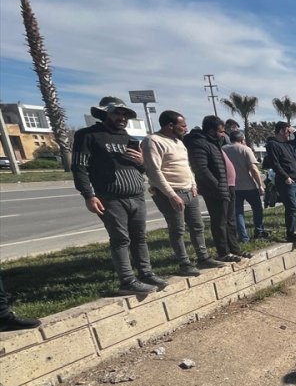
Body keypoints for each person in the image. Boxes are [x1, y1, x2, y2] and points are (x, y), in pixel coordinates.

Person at [72, 97, 167, 295]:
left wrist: (141, 161)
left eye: (124, 114)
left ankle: (145, 273)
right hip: (111, 197)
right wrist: (88, 195)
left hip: (136, 195)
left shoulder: (128, 138)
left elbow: (141, 169)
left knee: (139, 238)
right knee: (120, 239)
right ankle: (127, 280)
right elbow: (79, 167)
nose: (122, 117)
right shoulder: (88, 136)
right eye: (117, 113)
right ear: (105, 113)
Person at [142, 110, 225, 276]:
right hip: (170, 194)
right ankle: (184, 263)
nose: (186, 129)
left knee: (197, 226)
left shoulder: (179, 142)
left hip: (189, 190)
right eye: (183, 126)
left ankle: (203, 257)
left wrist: (193, 184)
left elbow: (187, 166)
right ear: (170, 125)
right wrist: (171, 194)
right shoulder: (153, 141)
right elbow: (154, 171)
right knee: (177, 229)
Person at [185, 116, 244, 261]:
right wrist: (217, 186)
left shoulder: (214, 142)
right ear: (210, 130)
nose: (223, 134)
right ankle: (223, 252)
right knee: (220, 222)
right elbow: (201, 168)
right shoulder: (199, 144)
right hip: (216, 189)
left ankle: (235, 249)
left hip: (228, 186)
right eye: (220, 131)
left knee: (230, 221)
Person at [265, 122, 296, 242]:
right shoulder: (272, 144)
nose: (289, 134)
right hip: (286, 182)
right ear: (281, 131)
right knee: (291, 207)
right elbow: (275, 163)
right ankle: (290, 234)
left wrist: (295, 132)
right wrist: (285, 177)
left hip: (295, 181)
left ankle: (294, 230)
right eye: (288, 131)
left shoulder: (288, 144)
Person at [223, 130, 268, 241]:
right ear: (242, 139)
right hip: (249, 186)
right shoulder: (245, 149)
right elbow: (253, 169)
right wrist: (260, 185)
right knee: (257, 209)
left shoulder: (223, 150)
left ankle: (243, 237)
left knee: (238, 213)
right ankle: (259, 231)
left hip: (232, 186)